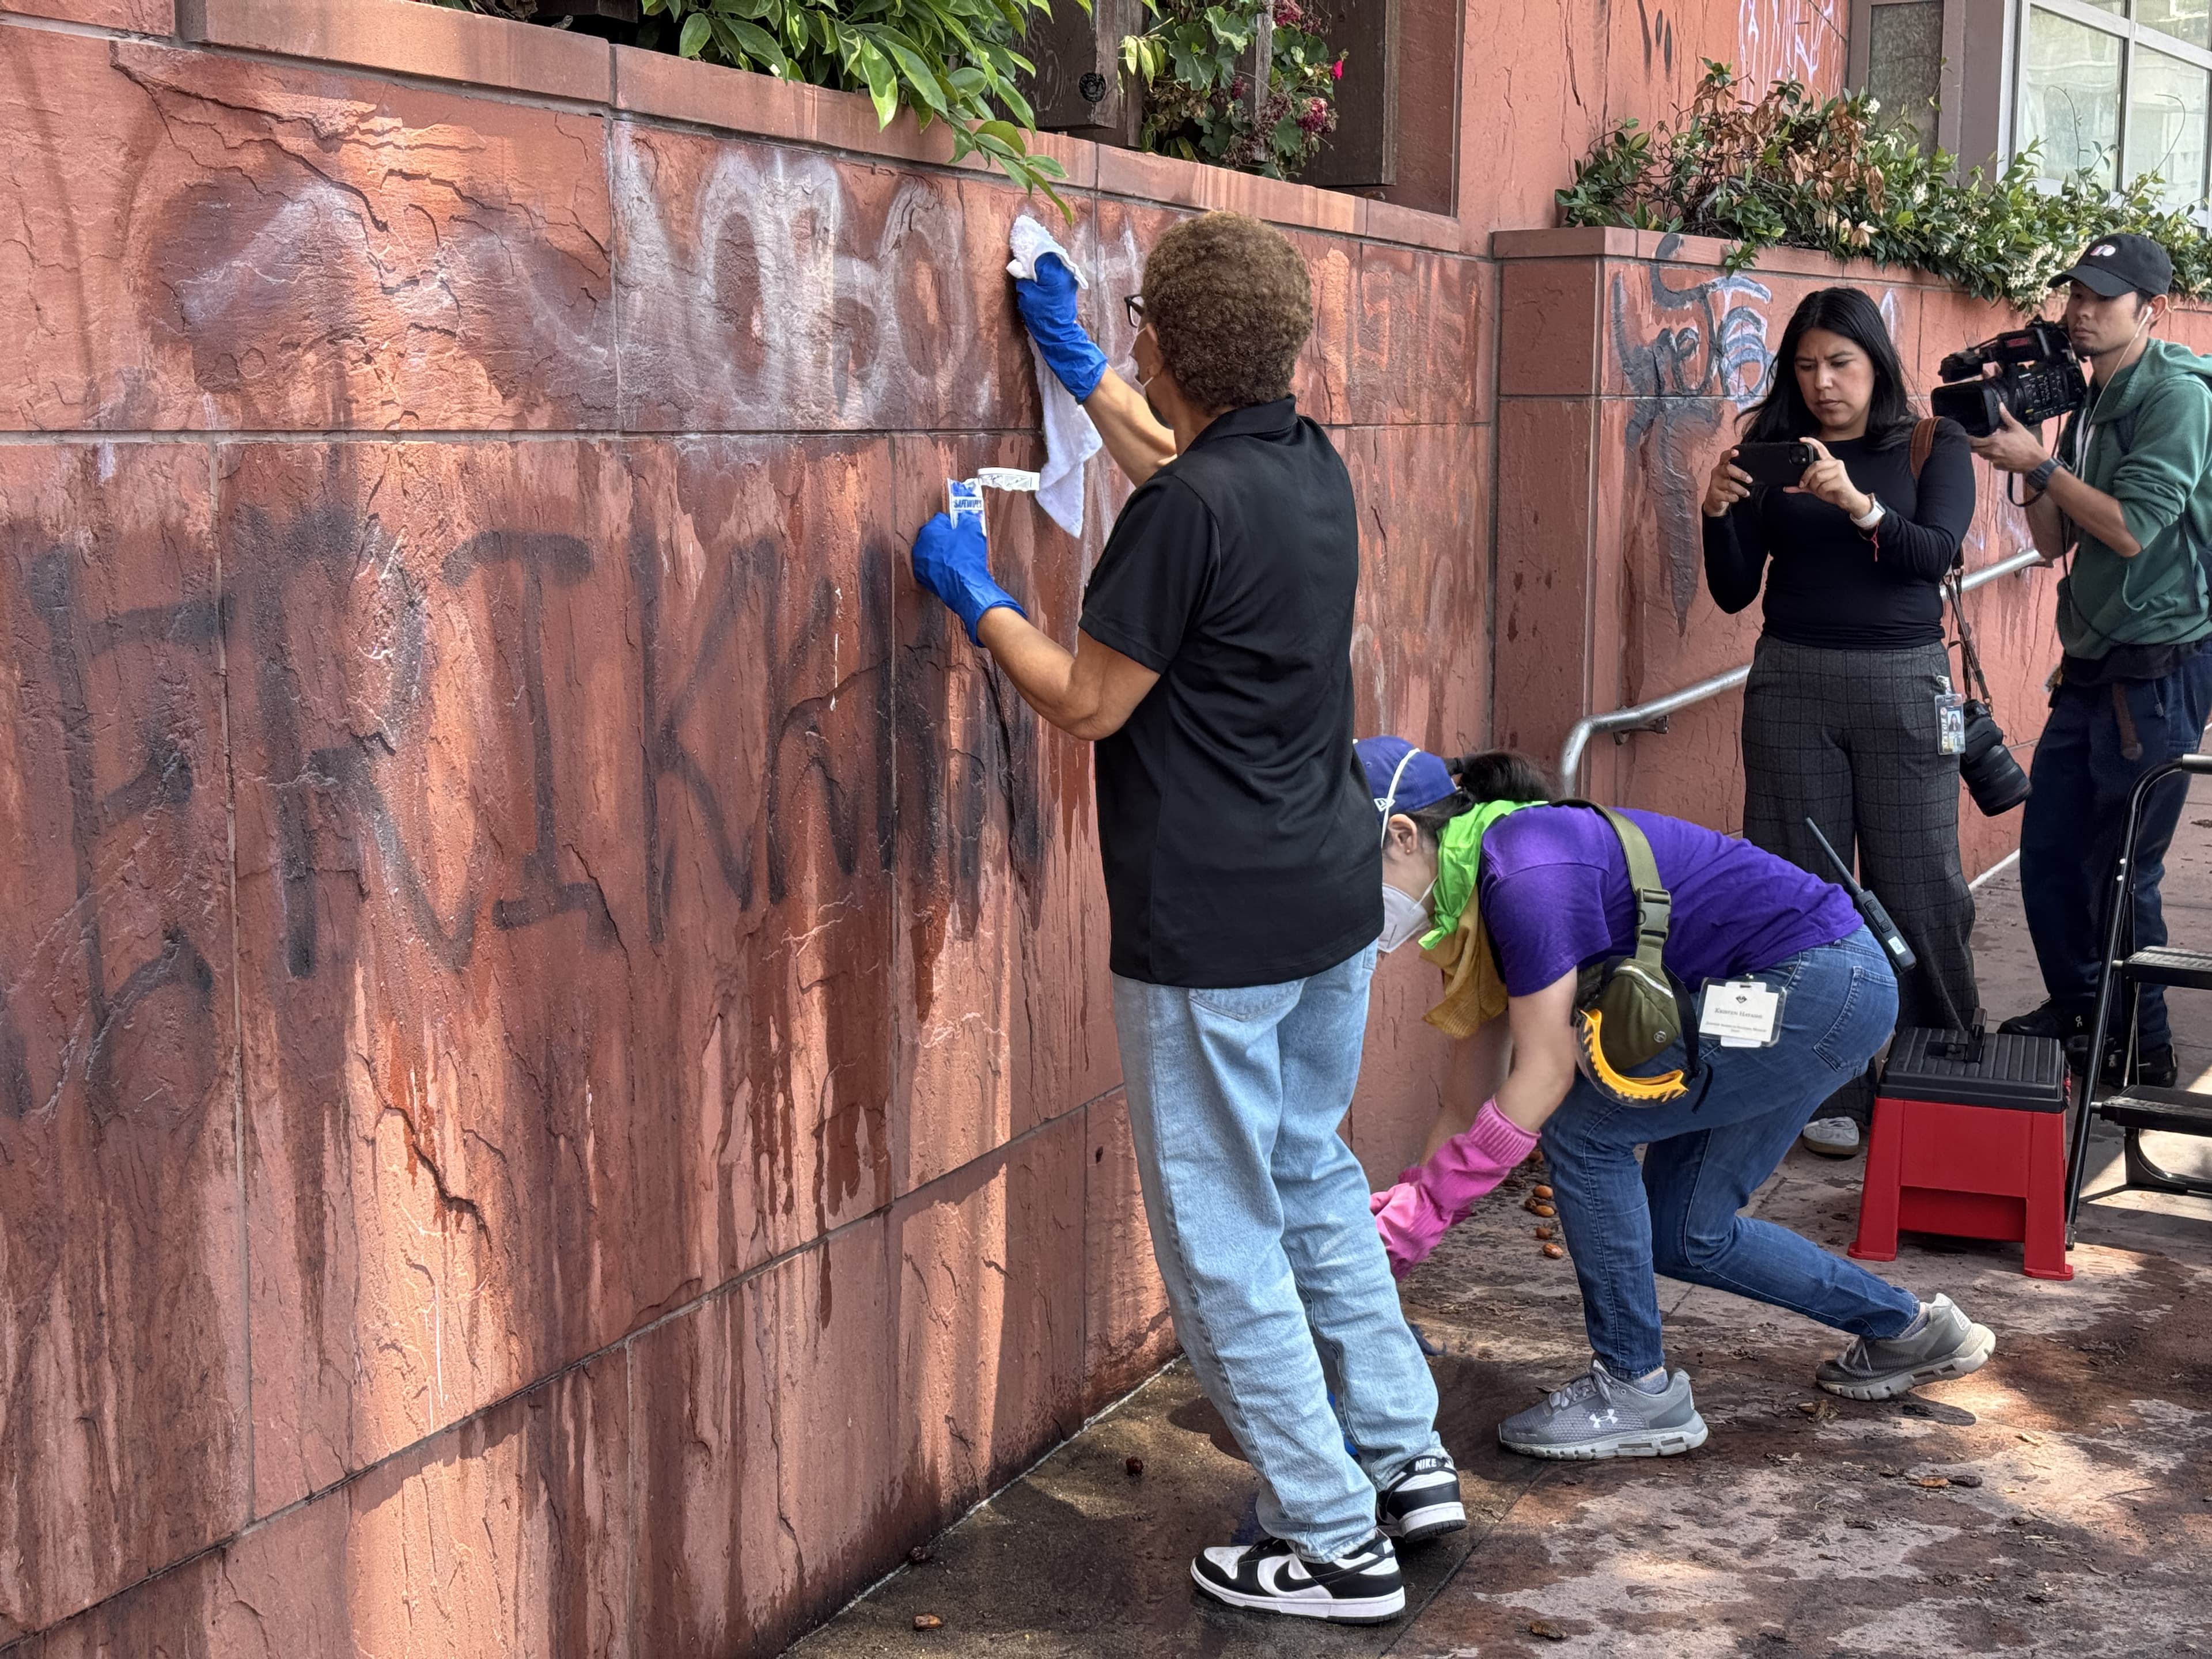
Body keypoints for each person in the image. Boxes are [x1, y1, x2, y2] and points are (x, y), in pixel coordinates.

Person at [907, 213, 1457, 1626]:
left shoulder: (1186, 511)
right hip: (1328, 902)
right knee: (1312, 1178)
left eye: (1132, 323)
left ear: (1166, 339)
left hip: (1212, 930)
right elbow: (1178, 475)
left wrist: (975, 599)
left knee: (1219, 1236)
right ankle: (1401, 1456)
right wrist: (1079, 368)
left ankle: (1334, 1540)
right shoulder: (1304, 467)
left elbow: (1089, 700)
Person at [1361, 743, 1998, 1460]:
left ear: (1405, 835)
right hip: (1806, 989)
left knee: (1583, 1129)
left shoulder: (1525, 870)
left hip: (1811, 988)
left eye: (1348, 871)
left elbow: (1543, 1078)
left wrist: (1431, 1206)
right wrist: (1396, 1246)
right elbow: (1461, 1102)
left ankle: (1634, 1388)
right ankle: (1910, 1329)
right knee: (1684, 1230)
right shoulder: (1480, 890)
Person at [1701, 287, 1980, 1160]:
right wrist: (1717, 513)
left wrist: (1858, 503)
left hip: (1903, 682)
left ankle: (1947, 1061)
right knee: (1798, 886)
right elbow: (1734, 589)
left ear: (1876, 363)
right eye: (1807, 366)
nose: (1823, 383)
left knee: (1918, 881)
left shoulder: (1931, 442)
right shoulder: (1770, 451)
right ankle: (1825, 1081)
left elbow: (1935, 555)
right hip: (1791, 680)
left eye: (1841, 364)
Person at [1967, 234, 2212, 1088]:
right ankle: (2080, 1009)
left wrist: (2042, 464)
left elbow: (2134, 529)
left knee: (2123, 867)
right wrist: (2031, 455)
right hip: (2092, 661)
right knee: (2050, 850)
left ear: (2151, 310)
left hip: (2160, 666)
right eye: (2074, 295)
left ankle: (2143, 1047)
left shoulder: (2175, 397)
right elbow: (2051, 543)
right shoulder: (2089, 398)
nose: (2078, 312)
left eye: (2100, 300)